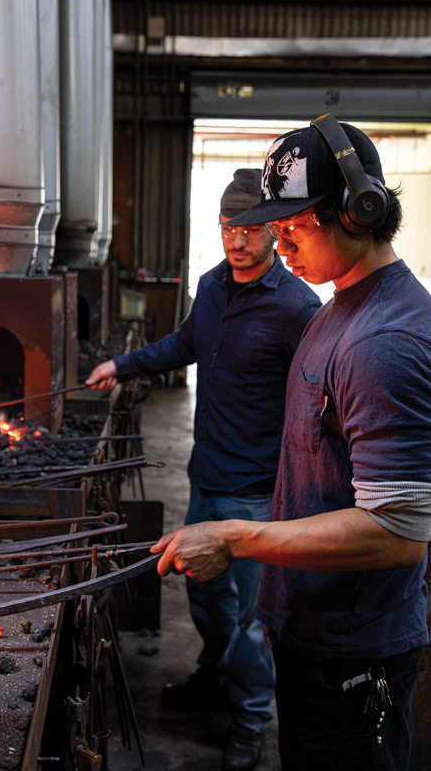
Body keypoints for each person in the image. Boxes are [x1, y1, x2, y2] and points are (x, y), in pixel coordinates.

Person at [151, 115, 431, 771]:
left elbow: (400, 530)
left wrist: (233, 536)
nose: (275, 237)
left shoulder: (380, 342)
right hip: (314, 628)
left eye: (292, 223)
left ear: (356, 212)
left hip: (354, 651)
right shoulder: (340, 304)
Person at [87, 168, 321, 771]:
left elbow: (324, 398)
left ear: (272, 230)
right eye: (225, 227)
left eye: (247, 229)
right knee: (203, 598)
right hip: (206, 477)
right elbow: (184, 345)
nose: (235, 241)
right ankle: (216, 679)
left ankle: (250, 718)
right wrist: (122, 363)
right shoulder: (212, 286)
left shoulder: (298, 306)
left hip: (254, 494)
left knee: (247, 620)